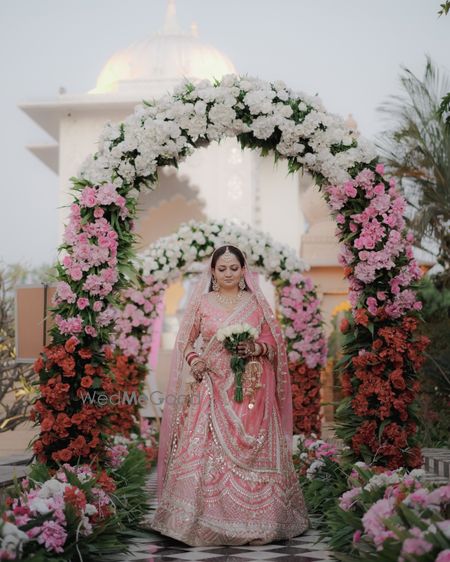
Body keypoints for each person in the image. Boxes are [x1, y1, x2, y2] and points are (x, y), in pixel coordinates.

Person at [149, 245, 309, 546]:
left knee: (257, 446)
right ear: (212, 271)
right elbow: (186, 342)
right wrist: (196, 361)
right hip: (212, 385)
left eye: (234, 268)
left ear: (243, 270)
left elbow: (273, 343)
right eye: (221, 269)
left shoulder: (255, 302)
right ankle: (200, 520)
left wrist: (256, 348)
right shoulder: (202, 302)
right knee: (204, 450)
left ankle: (262, 520)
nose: (228, 274)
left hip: (252, 388)